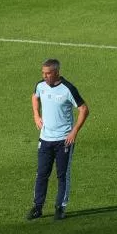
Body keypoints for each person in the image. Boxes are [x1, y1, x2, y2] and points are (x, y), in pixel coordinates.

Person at [27, 58, 90, 221]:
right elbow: (35, 96)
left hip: (64, 140)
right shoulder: (40, 85)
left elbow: (84, 109)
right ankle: (37, 207)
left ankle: (60, 207)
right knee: (41, 174)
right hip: (45, 139)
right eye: (43, 73)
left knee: (62, 175)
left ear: (56, 72)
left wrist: (74, 131)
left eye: (48, 73)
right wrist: (36, 115)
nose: (45, 76)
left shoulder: (68, 89)